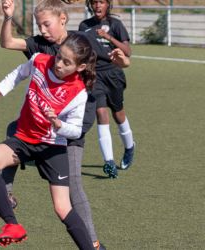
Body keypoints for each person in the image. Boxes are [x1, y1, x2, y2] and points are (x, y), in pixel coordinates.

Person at [0, 0, 130, 249]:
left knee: (72, 193)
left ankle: (93, 244)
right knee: (9, 134)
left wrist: (121, 60)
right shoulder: (41, 50)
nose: (43, 29)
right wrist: (8, 18)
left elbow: (118, 62)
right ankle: (4, 201)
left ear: (62, 19)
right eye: (39, 24)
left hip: (67, 129)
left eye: (46, 24)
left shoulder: (82, 45)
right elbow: (11, 54)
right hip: (35, 129)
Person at [0, 33, 97, 249]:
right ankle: (13, 225)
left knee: (62, 207)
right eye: (59, 56)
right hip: (23, 139)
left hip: (52, 147)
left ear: (80, 67)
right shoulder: (39, 60)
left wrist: (59, 125)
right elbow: (19, 73)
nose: (59, 64)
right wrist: (0, 89)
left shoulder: (78, 92)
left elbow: (76, 131)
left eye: (67, 62)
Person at [79, 0, 135, 178]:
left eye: (101, 2)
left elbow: (128, 51)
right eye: (94, 2)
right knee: (101, 113)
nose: (97, 6)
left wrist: (108, 37)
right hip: (95, 76)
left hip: (114, 74)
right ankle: (109, 162)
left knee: (118, 114)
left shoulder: (115, 24)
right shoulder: (84, 26)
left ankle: (129, 147)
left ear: (107, 5)